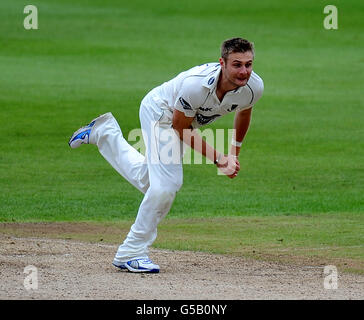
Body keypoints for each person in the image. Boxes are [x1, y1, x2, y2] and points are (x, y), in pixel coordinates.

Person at [68, 37, 264, 273]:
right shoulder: (196, 85)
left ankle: (104, 133)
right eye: (237, 64)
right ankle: (131, 252)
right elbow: (180, 127)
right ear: (222, 63)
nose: (244, 71)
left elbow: (243, 112)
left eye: (248, 64)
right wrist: (218, 158)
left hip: (180, 122)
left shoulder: (253, 86)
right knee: (166, 186)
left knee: (153, 181)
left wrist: (234, 153)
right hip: (161, 111)